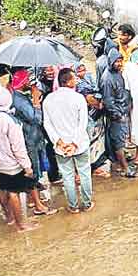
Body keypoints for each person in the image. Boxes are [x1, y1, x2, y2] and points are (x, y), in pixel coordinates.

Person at [0, 91, 40, 231]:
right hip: (12, 163)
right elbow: (18, 147)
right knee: (14, 192)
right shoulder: (11, 121)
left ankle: (9, 217)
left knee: (3, 187)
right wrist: (27, 166)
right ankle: (21, 224)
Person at [44, 67, 95, 211]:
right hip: (79, 144)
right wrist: (74, 143)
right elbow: (83, 123)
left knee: (67, 176)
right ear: (68, 81)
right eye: (74, 78)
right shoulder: (78, 98)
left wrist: (58, 142)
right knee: (84, 173)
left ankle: (73, 206)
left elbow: (47, 124)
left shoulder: (48, 99)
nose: (77, 80)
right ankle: (87, 203)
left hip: (61, 147)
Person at [98, 49, 138, 177]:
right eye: (117, 61)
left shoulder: (117, 73)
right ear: (111, 62)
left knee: (119, 140)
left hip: (122, 110)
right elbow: (108, 101)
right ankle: (125, 168)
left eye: (121, 61)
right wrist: (118, 115)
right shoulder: (107, 79)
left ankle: (119, 164)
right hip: (117, 115)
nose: (120, 64)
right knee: (118, 143)